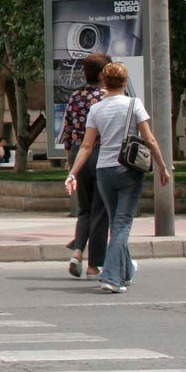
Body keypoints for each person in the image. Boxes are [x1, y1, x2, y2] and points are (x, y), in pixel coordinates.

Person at [65, 61, 171, 294]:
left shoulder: (97, 109)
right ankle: (112, 277)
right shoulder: (134, 104)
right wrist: (163, 167)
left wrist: (72, 173)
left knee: (117, 222)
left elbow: (86, 146)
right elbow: (150, 139)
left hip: (104, 171)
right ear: (124, 82)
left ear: (105, 81)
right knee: (121, 225)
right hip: (129, 171)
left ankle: (126, 271)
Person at [62, 52, 111, 279]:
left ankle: (77, 253)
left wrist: (71, 163)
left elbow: (68, 132)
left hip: (78, 157)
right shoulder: (107, 96)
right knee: (100, 211)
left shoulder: (75, 96)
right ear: (103, 73)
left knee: (84, 209)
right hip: (101, 154)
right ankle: (94, 265)